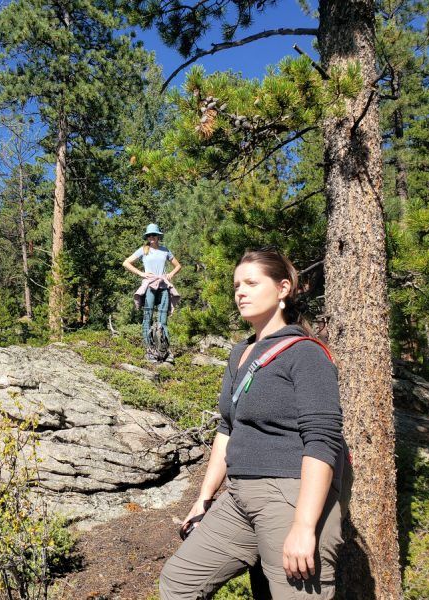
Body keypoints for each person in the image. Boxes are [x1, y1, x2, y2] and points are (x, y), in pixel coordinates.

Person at [159, 248, 346, 599]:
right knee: (179, 581)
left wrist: (305, 526)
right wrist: (203, 499)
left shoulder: (305, 353)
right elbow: (227, 429)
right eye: (236, 285)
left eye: (251, 283)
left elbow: (322, 441)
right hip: (239, 497)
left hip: (289, 497)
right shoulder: (240, 352)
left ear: (283, 288)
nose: (240, 292)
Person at [123, 223, 181, 361]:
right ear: (147, 237)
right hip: (149, 286)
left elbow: (178, 265)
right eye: (149, 235)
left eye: (154, 235)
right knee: (147, 317)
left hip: (163, 286)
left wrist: (171, 274)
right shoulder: (144, 250)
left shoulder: (165, 250)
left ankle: (164, 351)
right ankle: (150, 350)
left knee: (163, 319)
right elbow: (126, 263)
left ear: (158, 236)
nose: (151, 237)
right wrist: (141, 274)